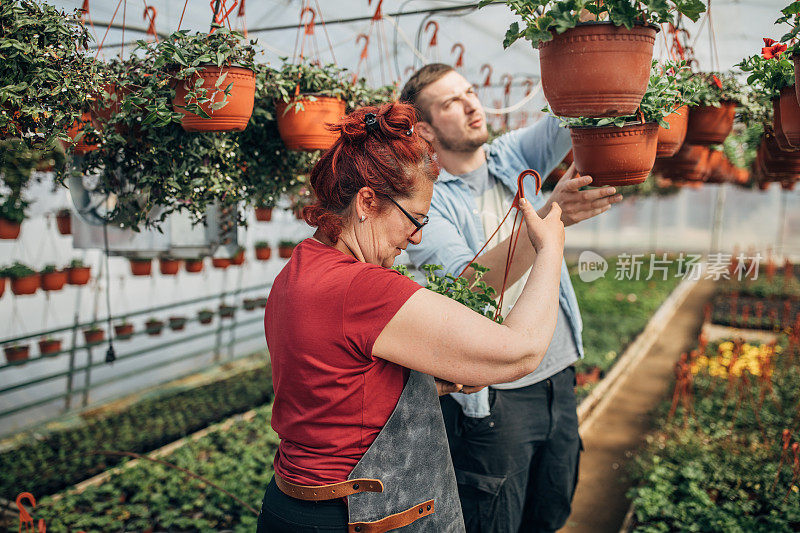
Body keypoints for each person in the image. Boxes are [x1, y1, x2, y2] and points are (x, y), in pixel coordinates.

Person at [258, 101, 567, 532]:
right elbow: (523, 351)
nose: (416, 236)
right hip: (354, 515)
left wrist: (422, 385)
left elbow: (338, 388)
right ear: (367, 201)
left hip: (293, 509)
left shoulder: (301, 267)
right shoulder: (363, 288)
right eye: (414, 219)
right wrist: (550, 247)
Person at [399, 64, 624, 533]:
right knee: (494, 520)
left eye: (470, 92)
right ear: (424, 127)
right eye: (450, 103)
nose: (471, 105)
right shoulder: (425, 200)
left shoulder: (510, 157)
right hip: (497, 396)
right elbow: (467, 284)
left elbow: (571, 111)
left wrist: (586, 31)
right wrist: (551, 218)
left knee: (551, 511)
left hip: (558, 378)